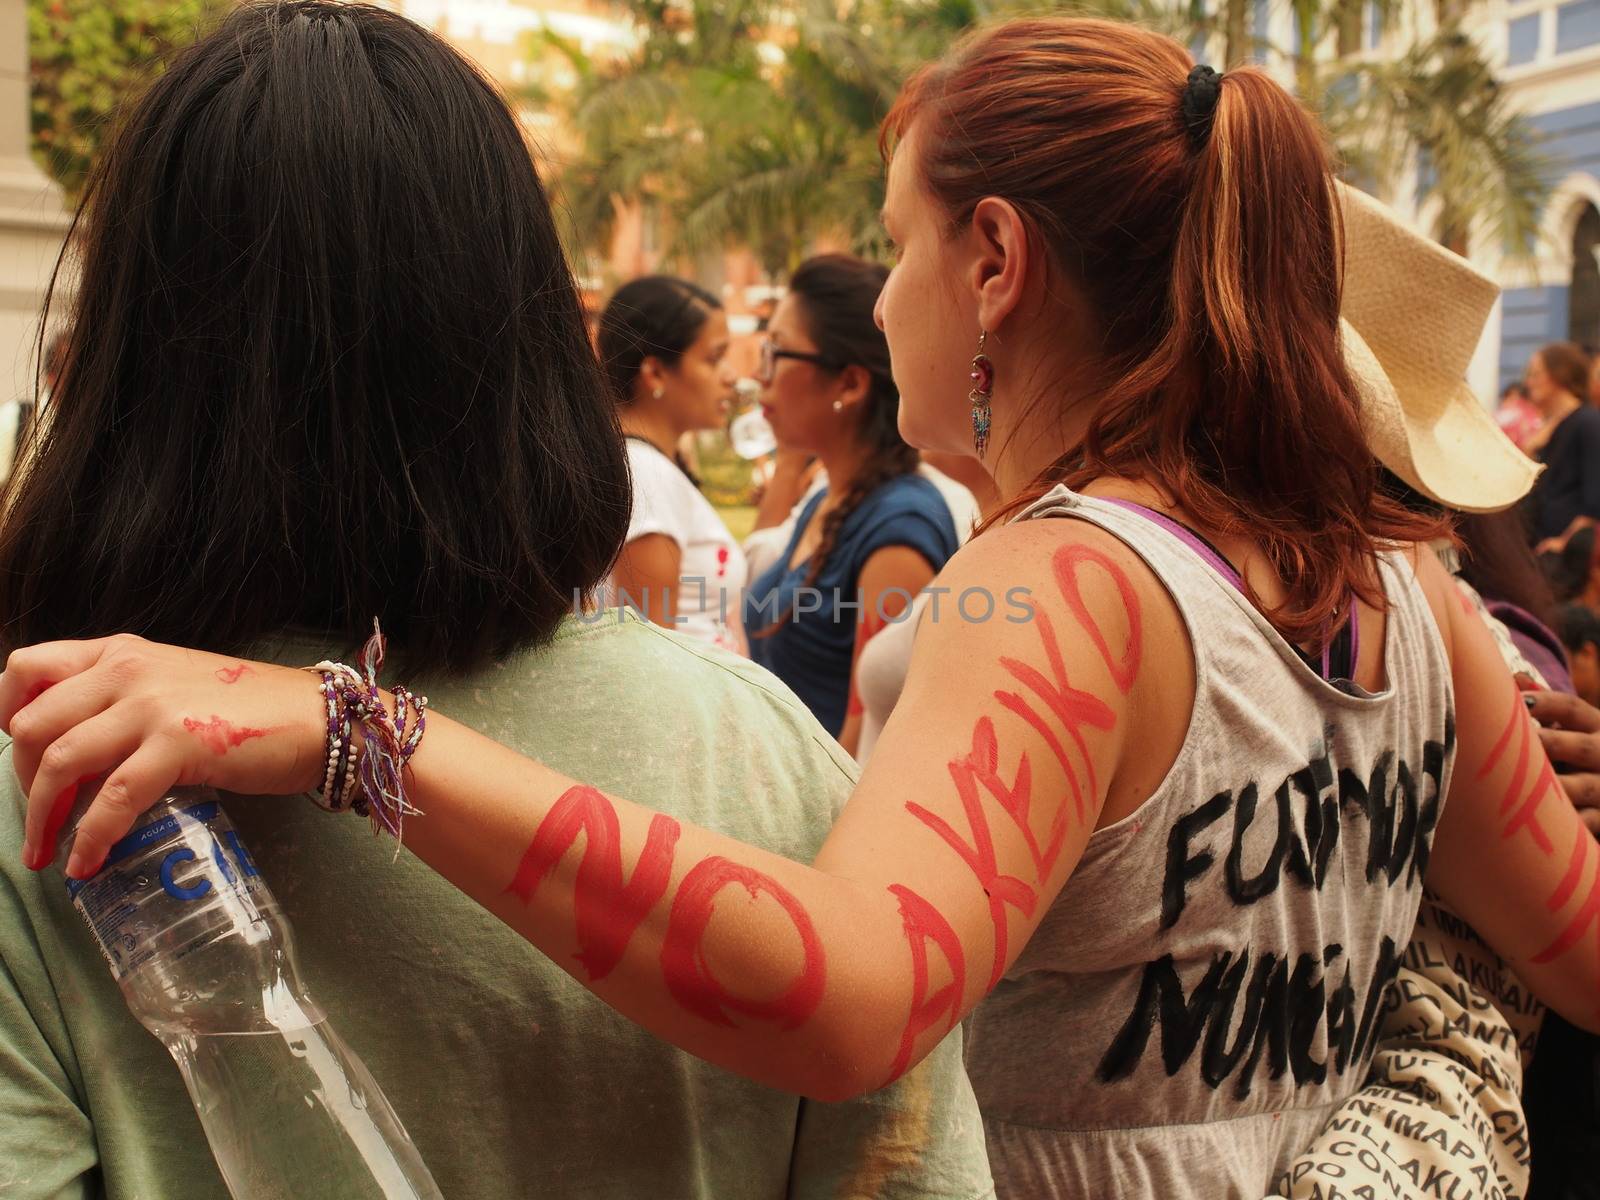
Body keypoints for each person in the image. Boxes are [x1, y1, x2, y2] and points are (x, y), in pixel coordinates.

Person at [10, 17, 1600, 1199]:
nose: (863, 291)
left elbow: (852, 1001)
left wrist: (358, 732)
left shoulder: (1057, 589)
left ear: (993, 263)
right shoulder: (1412, 594)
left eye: (895, 242)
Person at [0, 5, 993, 1197]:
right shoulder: (762, 758)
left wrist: (357, 735)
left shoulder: (53, 781)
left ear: (128, 356)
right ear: (525, 337)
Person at [742, 255, 961, 748]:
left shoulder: (897, 532)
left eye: (777, 353)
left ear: (850, 383)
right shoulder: (829, 494)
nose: (761, 376)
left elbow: (871, 742)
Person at [596, 276, 748, 653]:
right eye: (714, 358)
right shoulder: (644, 476)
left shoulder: (644, 468)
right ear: (656, 373)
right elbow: (649, 656)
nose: (732, 377)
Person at [1523, 342, 1600, 555]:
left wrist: (1564, 542)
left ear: (1559, 375)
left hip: (1563, 556)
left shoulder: (1588, 422)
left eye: (1536, 374)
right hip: (1538, 544)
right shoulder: (1550, 427)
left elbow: (1595, 500)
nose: (1529, 382)